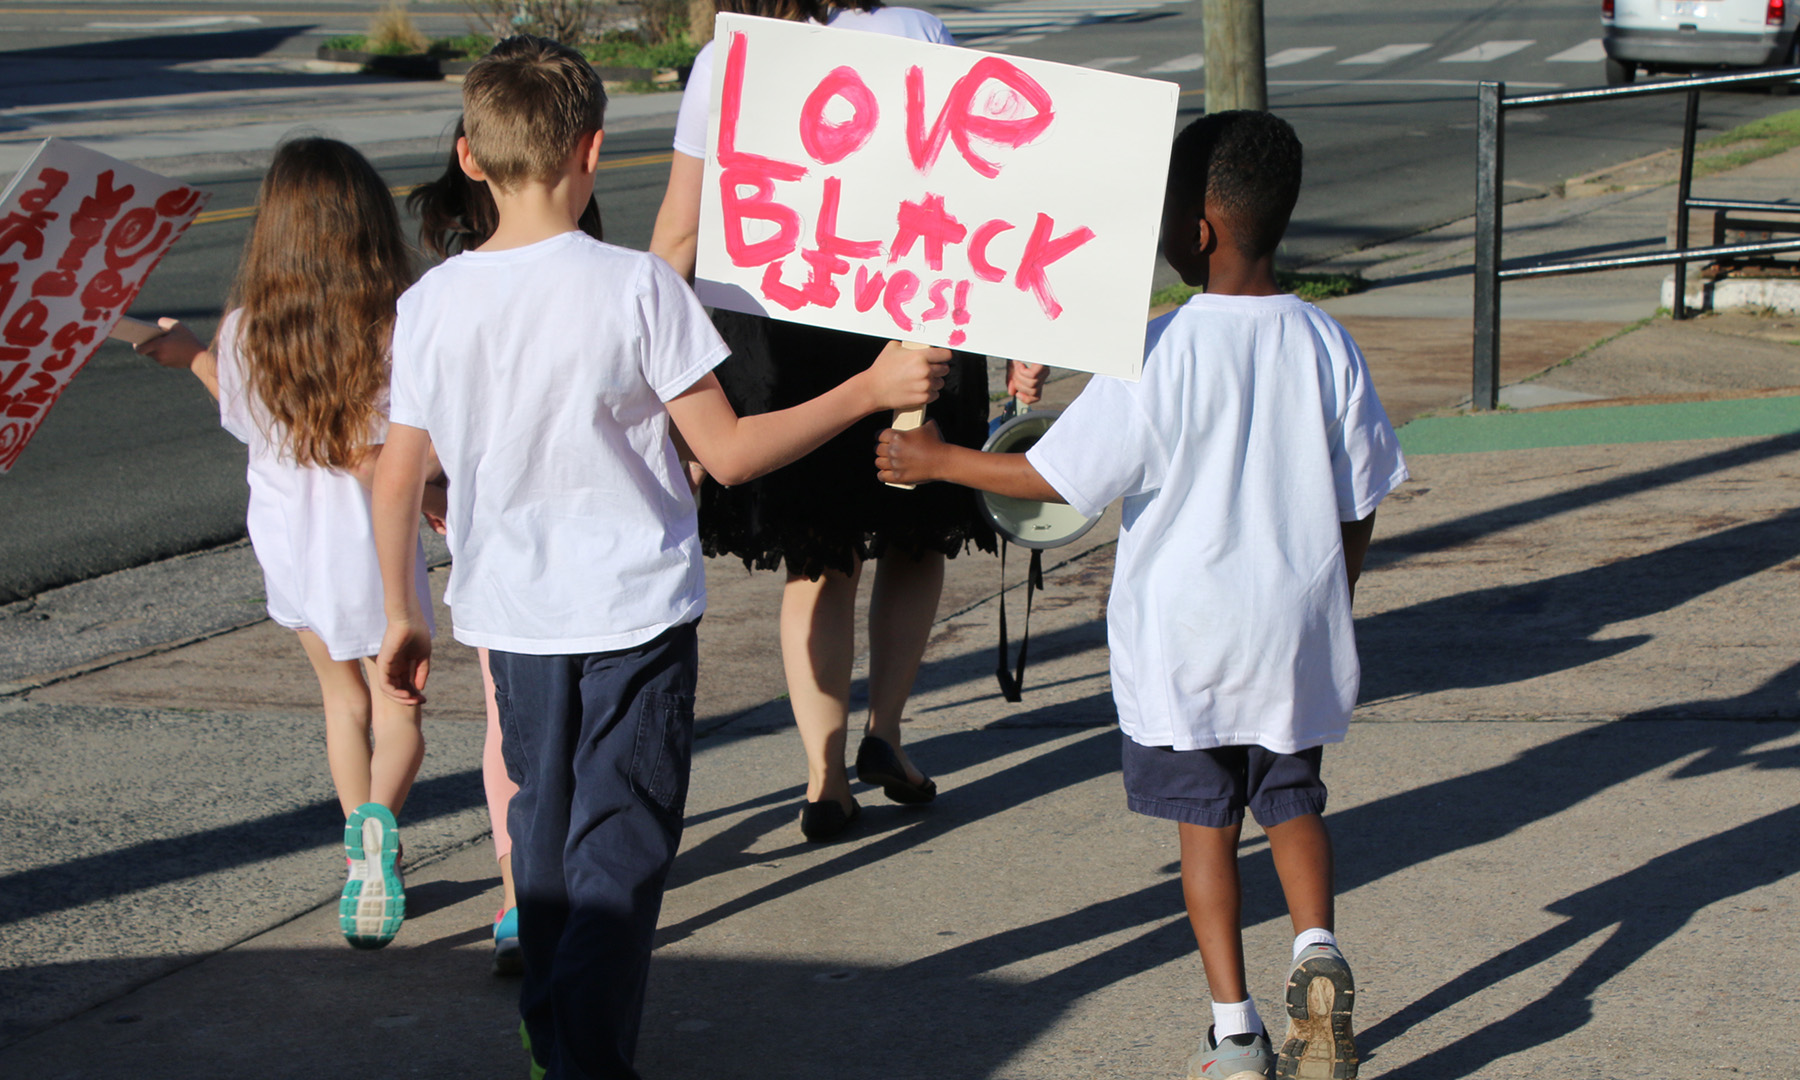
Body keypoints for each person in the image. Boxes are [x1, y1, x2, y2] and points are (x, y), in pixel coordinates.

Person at [368, 36, 948, 1079]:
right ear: (593, 149)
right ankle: (586, 1053)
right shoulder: (637, 287)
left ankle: (559, 1036)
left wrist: (400, 610)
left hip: (509, 617)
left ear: (469, 156)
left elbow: (397, 477)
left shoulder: (432, 306)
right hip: (634, 611)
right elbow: (728, 452)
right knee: (621, 848)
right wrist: (865, 390)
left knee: (542, 844)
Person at [874, 111, 1408, 1080]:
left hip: (1185, 641)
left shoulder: (1157, 349)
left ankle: (1236, 1031)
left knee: (1204, 832)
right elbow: (1363, 494)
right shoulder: (1326, 341)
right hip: (1291, 631)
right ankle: (1317, 955)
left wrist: (938, 456)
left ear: (1198, 229)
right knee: (1294, 804)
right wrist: (1338, 585)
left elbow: (1063, 478)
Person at [650, 0, 1045, 841]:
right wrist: (1025, 332)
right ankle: (885, 735)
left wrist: (631, 354)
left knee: (818, 554)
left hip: (784, 321)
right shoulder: (910, 30)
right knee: (916, 529)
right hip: (911, 313)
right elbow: (978, 187)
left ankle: (824, 776)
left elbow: (680, 229)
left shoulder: (729, 57)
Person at [136, 137, 434, 952]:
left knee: (341, 702)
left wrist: (186, 354)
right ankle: (381, 822)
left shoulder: (244, 332)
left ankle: (361, 852)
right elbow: (401, 452)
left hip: (292, 551)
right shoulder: (395, 323)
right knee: (398, 702)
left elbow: (243, 407)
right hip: (372, 548)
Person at [405, 109, 607, 977]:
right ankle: (560, 895)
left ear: (469, 159)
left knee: (510, 727)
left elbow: (409, 446)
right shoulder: (595, 262)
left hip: (495, 551)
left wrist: (436, 496)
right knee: (585, 735)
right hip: (595, 552)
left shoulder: (444, 286)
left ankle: (524, 895)